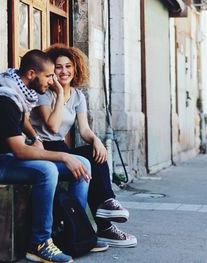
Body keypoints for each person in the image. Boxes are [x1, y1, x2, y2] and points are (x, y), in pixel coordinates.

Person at [0, 49, 95, 263]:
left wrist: (34, 135)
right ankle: (40, 243)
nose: (53, 80)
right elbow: (20, 151)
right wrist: (62, 156)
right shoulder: (4, 100)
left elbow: (21, 121)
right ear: (31, 74)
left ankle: (74, 229)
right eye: (49, 75)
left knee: (82, 163)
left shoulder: (16, 93)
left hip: (10, 158)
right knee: (47, 170)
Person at [28, 44, 137, 248]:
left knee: (94, 154)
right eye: (58, 67)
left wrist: (97, 141)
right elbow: (52, 127)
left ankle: (106, 205)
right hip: (42, 146)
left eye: (68, 66)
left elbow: (84, 130)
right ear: (51, 70)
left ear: (75, 68)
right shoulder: (45, 92)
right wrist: (60, 93)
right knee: (84, 165)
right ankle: (90, 228)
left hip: (59, 146)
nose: (64, 71)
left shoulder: (78, 96)